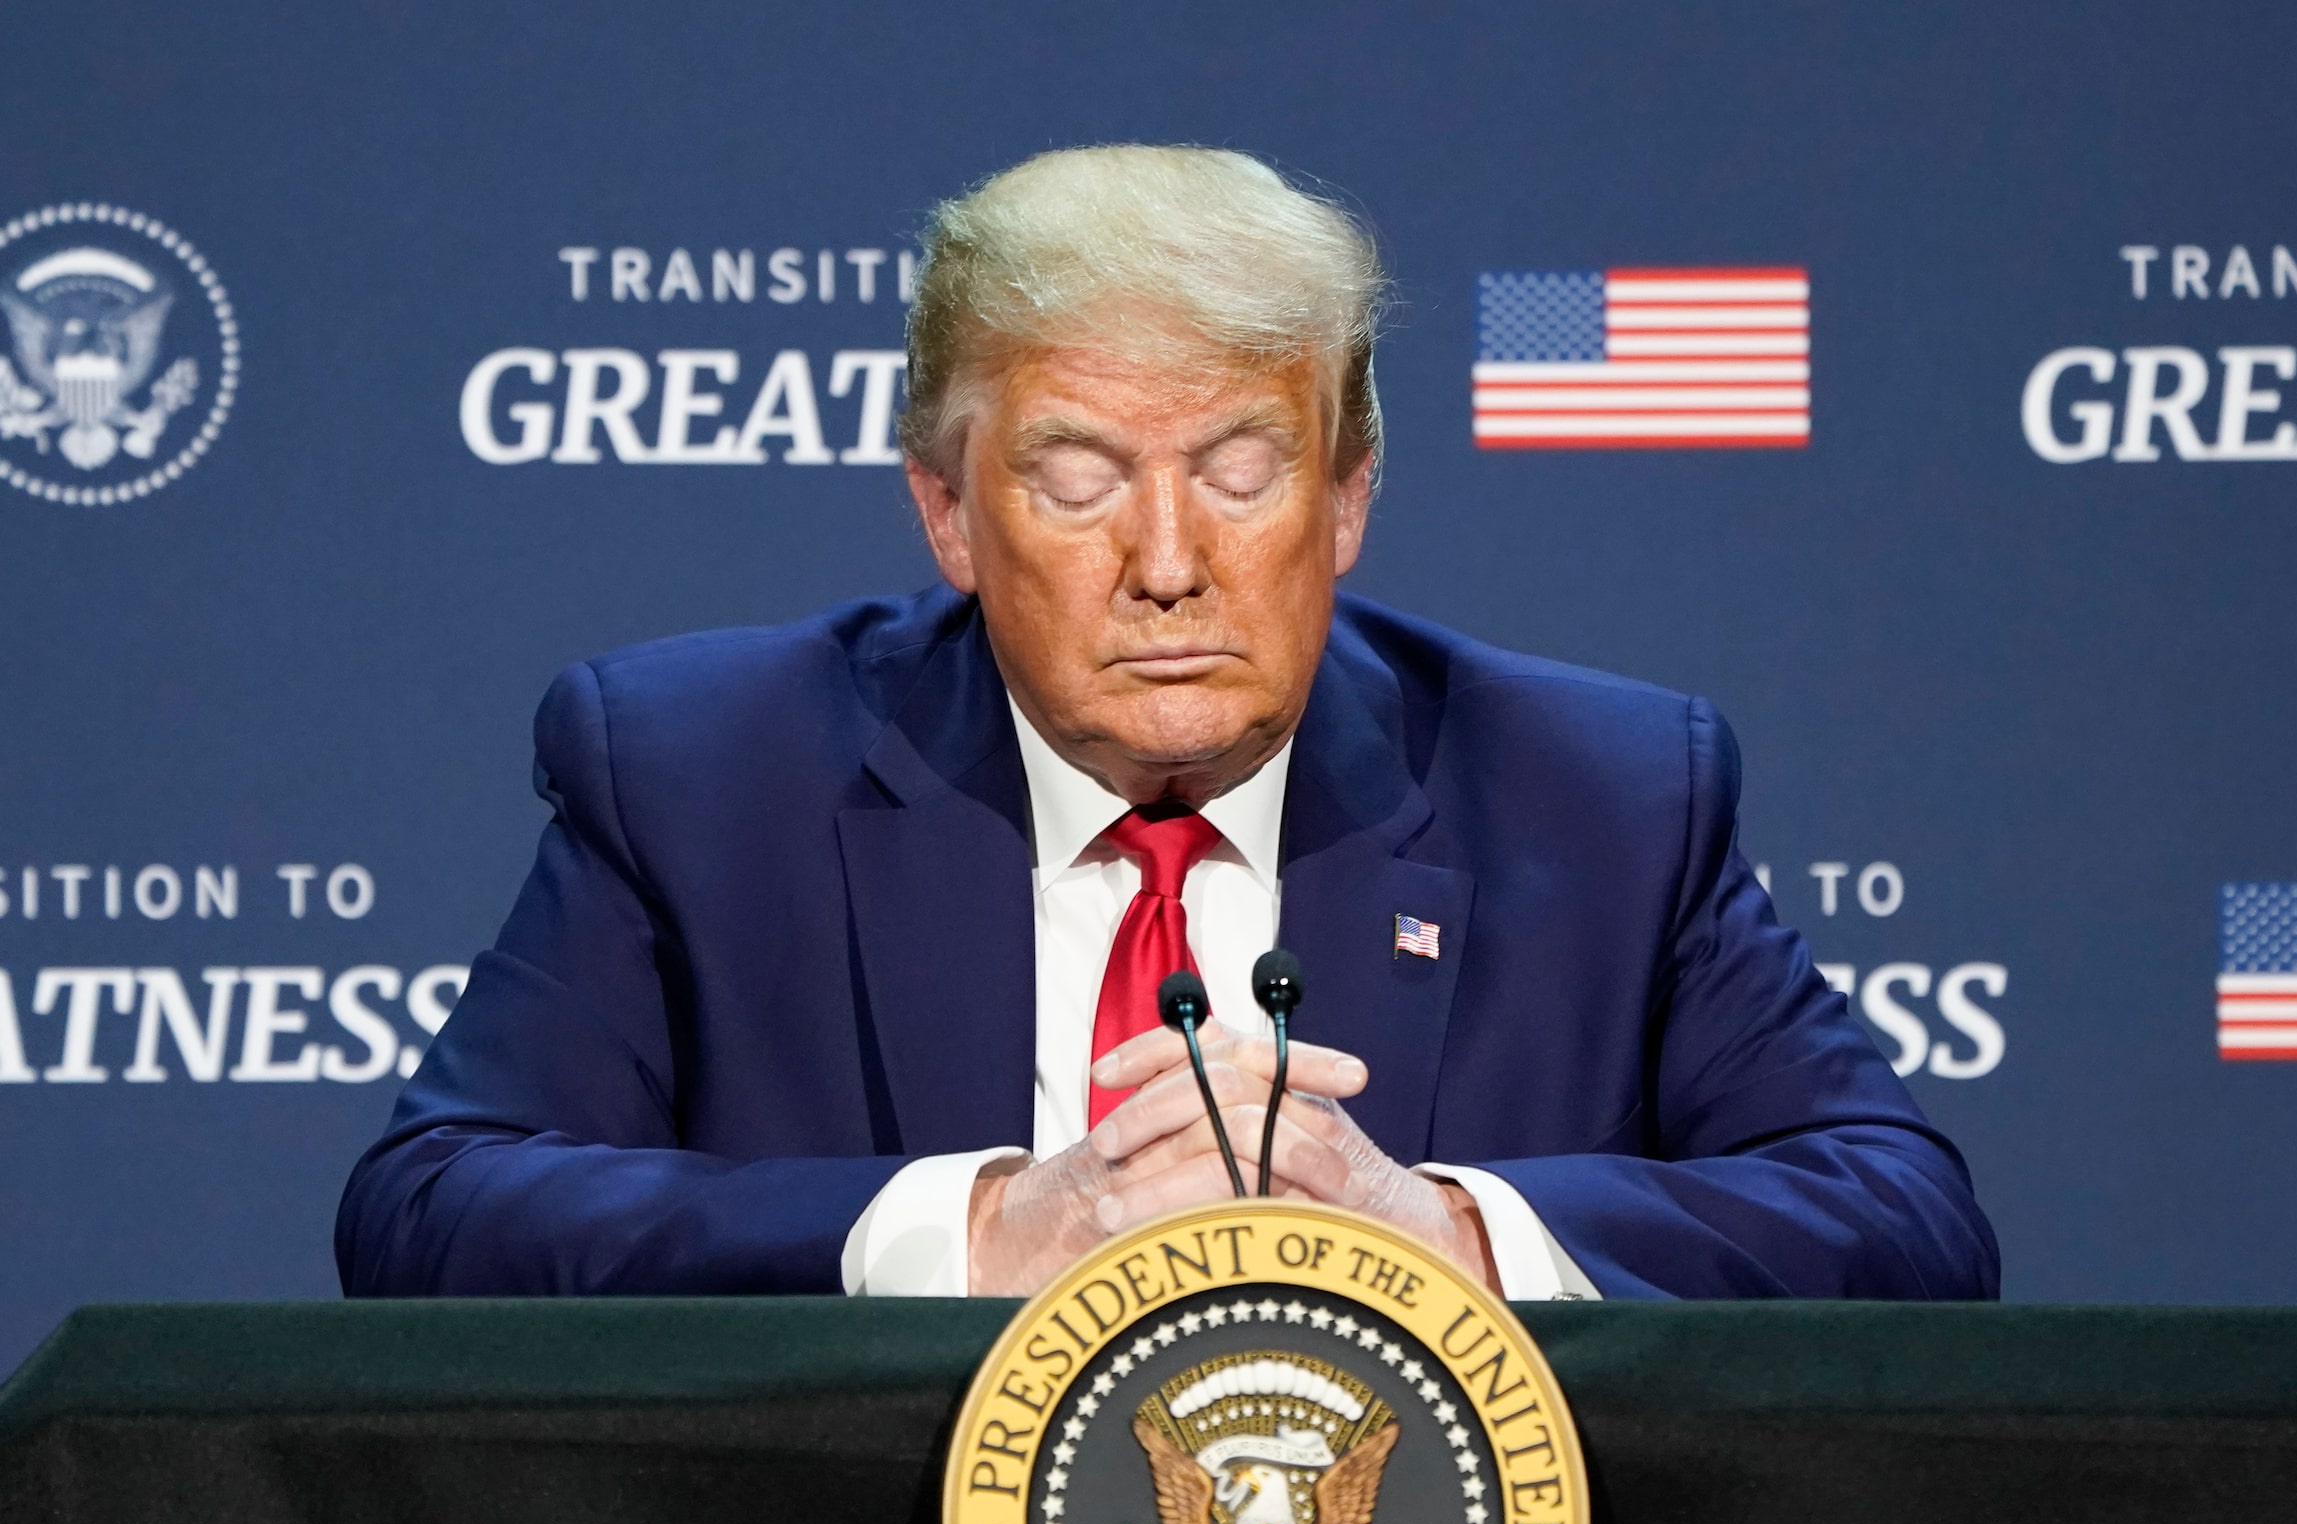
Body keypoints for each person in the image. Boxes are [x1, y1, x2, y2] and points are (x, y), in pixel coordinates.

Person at [337, 145, 1997, 1303]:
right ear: (944, 511)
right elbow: (431, 1212)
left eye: (1240, 471)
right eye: (1073, 480)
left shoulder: (1600, 797)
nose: (1166, 562)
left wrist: (1441, 1230)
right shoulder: (703, 774)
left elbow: (1906, 1221)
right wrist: (967, 1229)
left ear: (1347, 498)